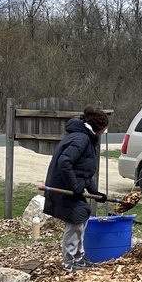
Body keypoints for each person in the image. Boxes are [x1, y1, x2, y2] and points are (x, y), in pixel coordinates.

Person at [43, 105, 110, 271]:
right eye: (105, 127)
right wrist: (74, 186)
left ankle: (79, 260)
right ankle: (70, 263)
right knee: (76, 220)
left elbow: (84, 172)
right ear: (99, 127)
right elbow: (64, 162)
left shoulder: (85, 138)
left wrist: (95, 192)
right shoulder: (81, 139)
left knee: (82, 214)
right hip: (63, 187)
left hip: (72, 186)